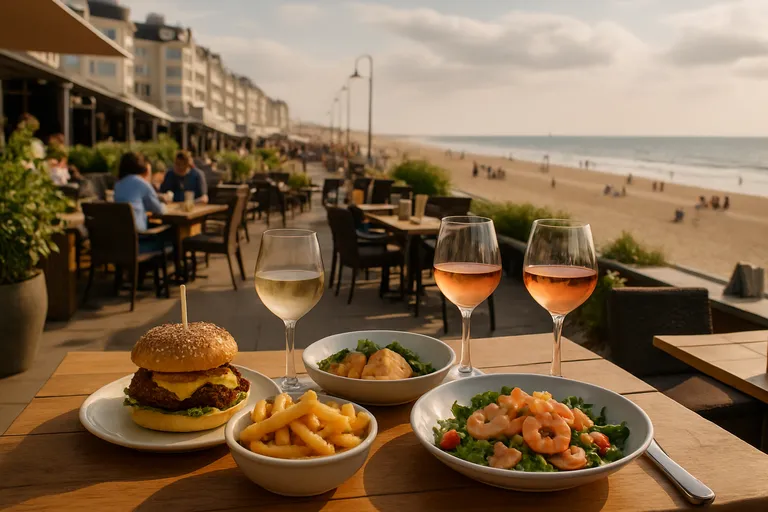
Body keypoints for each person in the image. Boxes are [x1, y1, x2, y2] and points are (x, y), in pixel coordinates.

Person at [114, 152, 170, 253]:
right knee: (170, 237)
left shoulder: (118, 185)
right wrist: (164, 205)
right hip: (140, 240)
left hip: (121, 241)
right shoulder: (142, 183)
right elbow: (159, 210)